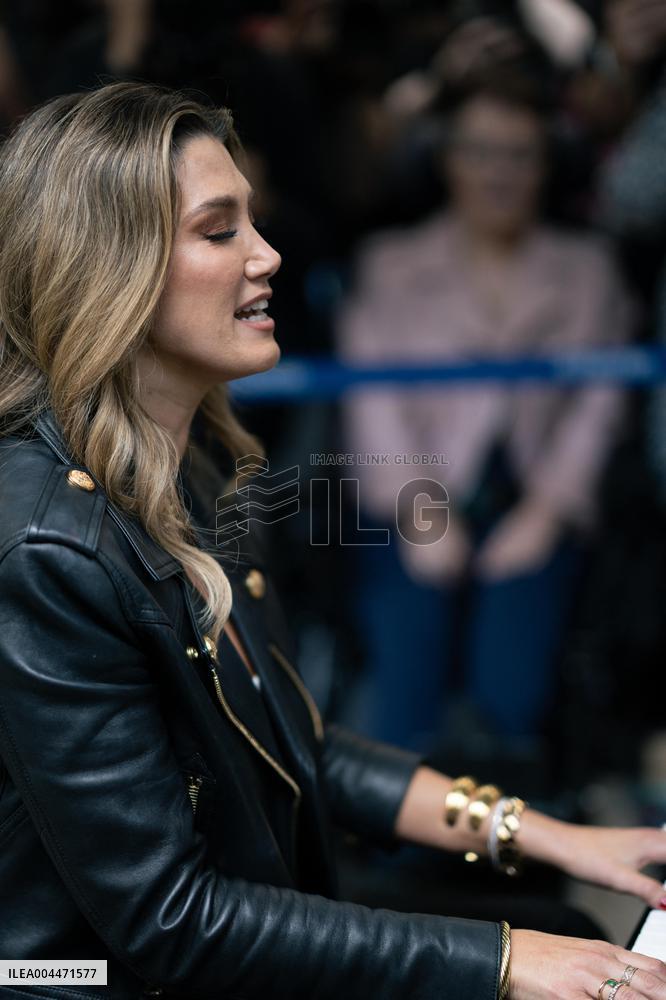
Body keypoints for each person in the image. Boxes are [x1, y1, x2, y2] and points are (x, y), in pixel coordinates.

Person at [0, 80, 663, 1000]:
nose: (267, 255)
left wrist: (544, 832)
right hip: (69, 976)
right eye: (219, 229)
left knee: (564, 923)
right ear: (111, 262)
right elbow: (166, 923)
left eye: (254, 223)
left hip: (215, 938)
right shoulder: (46, 546)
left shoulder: (188, 472)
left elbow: (297, 745)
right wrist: (508, 964)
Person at [336, 73, 635, 755]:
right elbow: (373, 402)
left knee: (513, 687)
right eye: (480, 151)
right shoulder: (391, 263)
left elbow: (600, 402)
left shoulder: (587, 267)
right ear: (446, 159)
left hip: (534, 497)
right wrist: (420, 513)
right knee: (406, 673)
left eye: (520, 155)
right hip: (412, 497)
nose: (499, 173)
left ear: (545, 164)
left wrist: (549, 512)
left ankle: (505, 846)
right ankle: (398, 851)